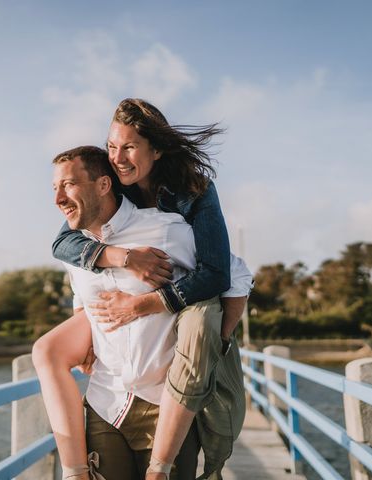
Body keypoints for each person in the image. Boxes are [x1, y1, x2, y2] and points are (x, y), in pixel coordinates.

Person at [33, 98, 248, 480]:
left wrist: (216, 337)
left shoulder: (188, 197)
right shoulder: (100, 200)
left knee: (201, 324)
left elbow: (224, 271)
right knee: (46, 350)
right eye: (112, 146)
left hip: (162, 390)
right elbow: (63, 248)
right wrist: (121, 258)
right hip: (107, 395)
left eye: (129, 146)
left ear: (156, 150)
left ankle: (162, 465)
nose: (117, 158)